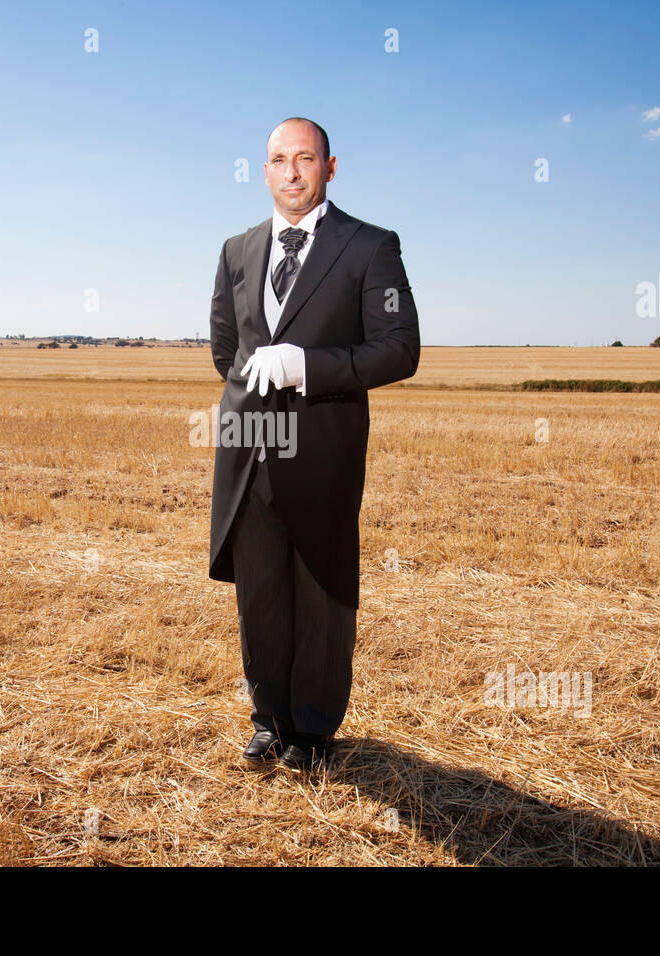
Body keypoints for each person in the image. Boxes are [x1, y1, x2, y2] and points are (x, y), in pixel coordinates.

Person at [208, 117, 420, 771]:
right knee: (261, 592)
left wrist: (307, 368)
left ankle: (314, 730)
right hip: (248, 446)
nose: (291, 171)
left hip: (323, 447)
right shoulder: (236, 249)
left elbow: (399, 350)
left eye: (305, 158)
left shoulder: (370, 247)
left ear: (329, 168)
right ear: (264, 170)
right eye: (278, 159)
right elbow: (225, 346)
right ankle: (269, 721)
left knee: (322, 590)